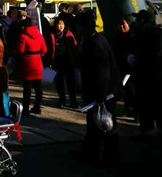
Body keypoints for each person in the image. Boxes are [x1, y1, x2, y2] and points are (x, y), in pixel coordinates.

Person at [76, 9, 122, 165]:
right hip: (97, 91)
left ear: (84, 26)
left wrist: (101, 97)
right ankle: (90, 152)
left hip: (104, 93)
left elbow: (104, 72)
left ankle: (107, 157)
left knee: (105, 125)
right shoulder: (92, 40)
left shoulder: (97, 43)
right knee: (94, 123)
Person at [131, 9, 162, 134]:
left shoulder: (149, 35)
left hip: (149, 76)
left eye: (138, 19)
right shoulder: (155, 33)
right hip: (151, 76)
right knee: (150, 106)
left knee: (148, 106)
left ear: (143, 21)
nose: (136, 21)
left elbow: (147, 55)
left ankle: (149, 132)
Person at [15, 16, 47, 115]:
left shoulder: (22, 36)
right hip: (38, 63)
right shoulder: (40, 35)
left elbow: (20, 50)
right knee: (38, 87)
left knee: (27, 88)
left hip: (27, 63)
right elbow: (44, 50)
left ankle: (26, 109)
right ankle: (37, 106)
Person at [51, 17, 78, 108]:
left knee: (71, 82)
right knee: (59, 82)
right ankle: (62, 99)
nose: (61, 26)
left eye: (62, 24)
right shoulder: (52, 35)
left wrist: (74, 59)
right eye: (59, 24)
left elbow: (75, 47)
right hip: (57, 62)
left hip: (68, 61)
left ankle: (73, 100)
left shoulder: (69, 34)